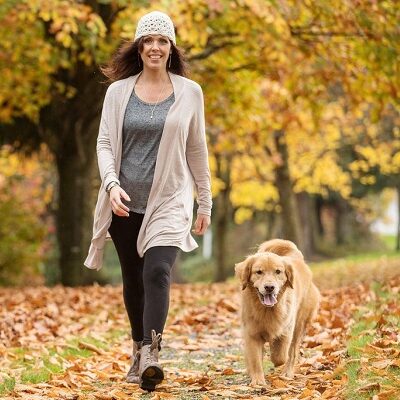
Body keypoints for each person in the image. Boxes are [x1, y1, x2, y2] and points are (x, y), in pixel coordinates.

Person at [84, 10, 212, 392]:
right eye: (148, 41)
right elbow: (105, 143)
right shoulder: (118, 92)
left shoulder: (190, 92)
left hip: (171, 198)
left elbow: (197, 148)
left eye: (162, 40)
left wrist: (204, 201)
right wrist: (110, 185)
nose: (155, 47)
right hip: (124, 200)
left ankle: (152, 354)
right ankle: (138, 348)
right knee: (133, 279)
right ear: (139, 48)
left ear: (171, 47)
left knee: (157, 271)